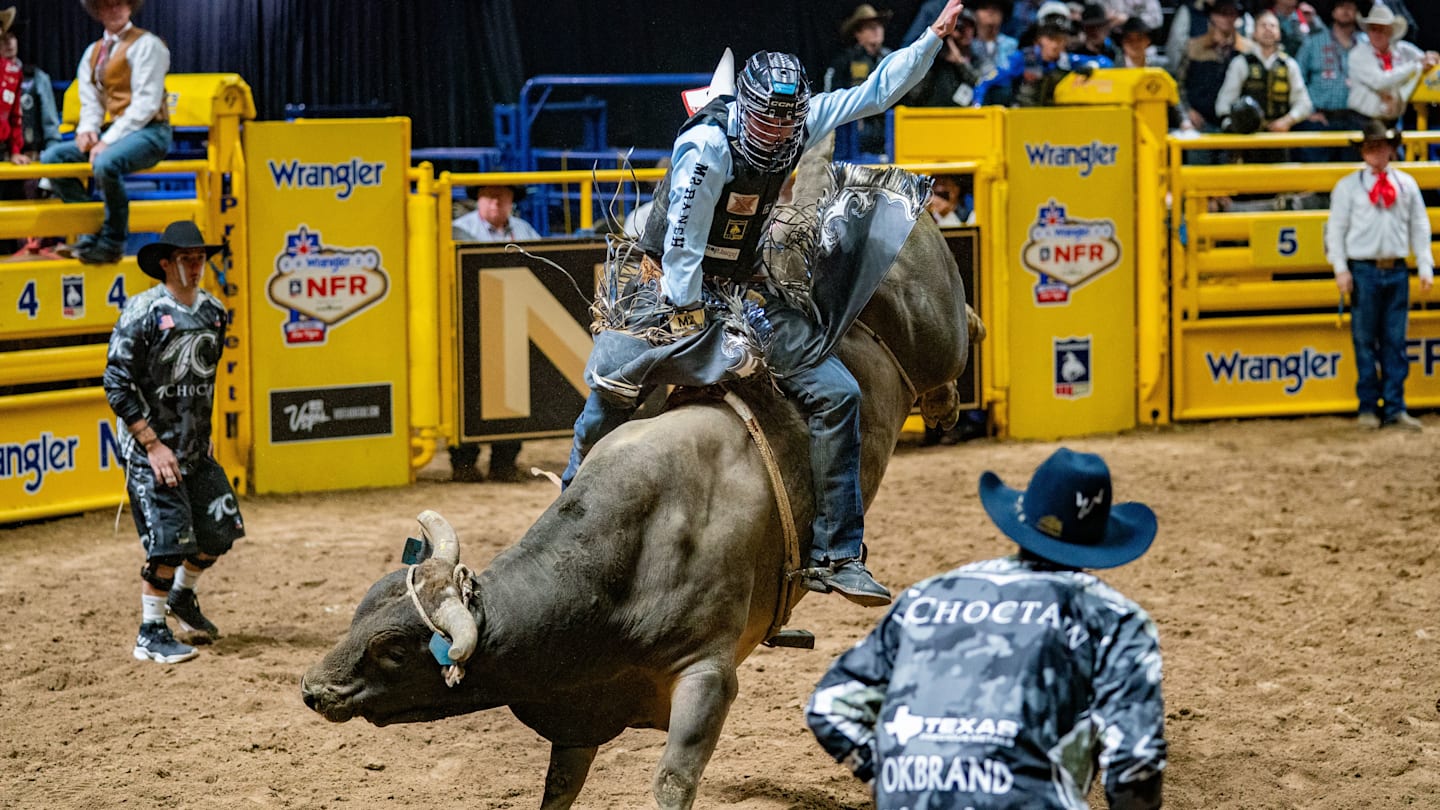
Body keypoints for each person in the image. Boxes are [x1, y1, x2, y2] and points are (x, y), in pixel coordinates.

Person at [563, 0, 970, 608]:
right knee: (613, 380)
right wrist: (687, 313)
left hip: (741, 289)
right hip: (670, 289)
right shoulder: (708, 147)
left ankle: (837, 554)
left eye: (787, 119)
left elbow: (877, 89)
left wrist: (930, 41)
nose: (779, 129)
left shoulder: (801, 120)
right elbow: (681, 240)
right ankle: (569, 498)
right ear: (746, 108)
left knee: (839, 394)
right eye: (769, 118)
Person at [806, 447, 1165, 809]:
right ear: (1100, 540)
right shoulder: (1114, 618)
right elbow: (1136, 760)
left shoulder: (928, 596)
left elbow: (829, 706)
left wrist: (892, 777)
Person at [103, 220, 244, 664]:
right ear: (166, 264)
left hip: (195, 448)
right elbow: (116, 382)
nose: (196, 266)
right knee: (168, 544)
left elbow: (205, 382)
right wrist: (151, 444)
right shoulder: (142, 311)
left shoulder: (214, 312)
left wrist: (204, 438)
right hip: (155, 451)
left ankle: (182, 597)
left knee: (219, 532)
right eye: (186, 259)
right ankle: (150, 631)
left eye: (200, 258)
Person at [42, 0, 171, 265]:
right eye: (107, 5)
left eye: (119, 3)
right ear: (98, 12)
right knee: (53, 158)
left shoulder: (148, 45)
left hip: (152, 131)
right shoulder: (93, 52)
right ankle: (92, 230)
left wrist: (107, 141)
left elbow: (146, 104)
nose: (114, 9)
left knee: (106, 162)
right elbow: (91, 101)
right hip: (117, 132)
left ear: (129, 7)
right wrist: (87, 130)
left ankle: (113, 241)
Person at [1326, 119, 1432, 432]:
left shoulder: (1406, 185)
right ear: (1363, 151)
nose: (1376, 152)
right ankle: (1370, 405)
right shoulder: (1348, 187)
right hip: (1363, 269)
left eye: (1381, 146)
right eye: (1370, 146)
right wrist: (1341, 269)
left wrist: (1424, 264)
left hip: (1395, 268)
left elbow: (1419, 226)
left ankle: (1394, 406)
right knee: (1365, 340)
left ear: (1390, 149)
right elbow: (1335, 231)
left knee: (1394, 341)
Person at [448, 182, 538, 483]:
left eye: (503, 195)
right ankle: (463, 464)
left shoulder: (525, 231)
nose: (496, 202)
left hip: (511, 323)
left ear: (512, 200)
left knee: (512, 391)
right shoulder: (457, 230)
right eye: (489, 195)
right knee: (466, 391)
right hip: (467, 324)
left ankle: (504, 461)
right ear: (479, 200)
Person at [1215, 10, 1312, 136]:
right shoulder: (1241, 62)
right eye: (1263, 26)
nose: (1268, 30)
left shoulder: (1288, 64)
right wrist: (1235, 125)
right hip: (1247, 137)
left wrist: (1287, 121)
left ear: (1279, 34)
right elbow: (1224, 104)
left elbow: (1304, 103)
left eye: (1272, 26)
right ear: (1254, 33)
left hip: (1279, 136)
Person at [976, 17, 1110, 108]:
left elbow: (1105, 62)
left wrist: (1092, 66)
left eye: (1060, 39)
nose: (1055, 44)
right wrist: (977, 105)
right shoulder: (1025, 58)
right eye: (1051, 38)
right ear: (1040, 39)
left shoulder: (1067, 61)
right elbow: (986, 81)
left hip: (1054, 119)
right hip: (1023, 118)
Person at [1345, 4, 1439, 130]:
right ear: (1368, 32)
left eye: (1382, 29)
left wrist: (1430, 58)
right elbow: (1379, 82)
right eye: (1373, 29)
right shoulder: (1358, 54)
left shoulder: (1403, 50)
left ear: (1391, 31)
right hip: (1363, 121)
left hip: (1393, 121)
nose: (1377, 34)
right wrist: (1415, 66)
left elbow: (1426, 58)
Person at [1293, 0, 1366, 162]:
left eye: (1350, 7)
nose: (1345, 11)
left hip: (1356, 118)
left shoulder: (1365, 43)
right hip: (1320, 119)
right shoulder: (1314, 40)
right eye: (1340, 6)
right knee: (1316, 176)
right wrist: (1308, 111)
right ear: (1333, 12)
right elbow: (1297, 78)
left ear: (1357, 12)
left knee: (1352, 175)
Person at [825, 4, 896, 157]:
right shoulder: (846, 60)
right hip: (856, 129)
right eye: (870, 27)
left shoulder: (890, 59)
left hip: (887, 126)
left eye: (879, 26)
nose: (877, 31)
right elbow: (831, 94)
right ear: (858, 33)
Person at [903, 9, 983, 107]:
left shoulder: (977, 60)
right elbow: (915, 95)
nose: (964, 32)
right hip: (930, 116)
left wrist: (960, 63)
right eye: (959, 27)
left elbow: (981, 85)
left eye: (969, 27)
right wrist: (931, 58)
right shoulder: (934, 61)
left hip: (963, 117)